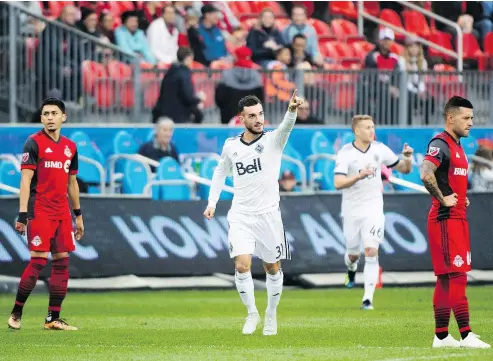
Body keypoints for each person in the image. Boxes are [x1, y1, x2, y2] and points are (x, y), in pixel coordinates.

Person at [203, 91, 304, 336]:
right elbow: (219, 173)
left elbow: (286, 127)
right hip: (241, 215)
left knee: (272, 267)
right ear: (241, 118)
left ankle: (271, 314)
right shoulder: (231, 147)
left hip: (268, 215)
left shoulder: (272, 141)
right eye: (252, 115)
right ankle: (252, 313)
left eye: (260, 114)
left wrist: (291, 111)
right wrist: (212, 202)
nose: (258, 119)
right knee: (241, 265)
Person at [419, 96, 491, 349]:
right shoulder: (441, 143)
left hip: (457, 217)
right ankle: (466, 334)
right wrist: (444, 199)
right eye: (466, 118)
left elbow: (446, 179)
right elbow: (425, 172)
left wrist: (460, 199)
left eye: (471, 118)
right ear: (451, 118)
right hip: (445, 219)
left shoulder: (458, 146)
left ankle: (441, 336)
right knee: (458, 275)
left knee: (447, 279)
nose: (471, 123)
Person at [8, 98, 84, 331]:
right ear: (41, 118)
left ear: (64, 117)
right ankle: (16, 312)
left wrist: (78, 215)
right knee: (39, 260)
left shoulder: (70, 147)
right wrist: (22, 214)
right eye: (46, 113)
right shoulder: (34, 143)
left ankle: (53, 318)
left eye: (54, 113)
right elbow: (25, 180)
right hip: (39, 209)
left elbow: (72, 183)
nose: (50, 117)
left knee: (62, 262)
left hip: (62, 212)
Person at [333, 114, 413, 310]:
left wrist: (407, 158)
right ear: (356, 131)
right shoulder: (345, 153)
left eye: (372, 126)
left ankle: (367, 299)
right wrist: (358, 176)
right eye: (367, 127)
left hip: (374, 207)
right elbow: (338, 183)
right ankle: (350, 271)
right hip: (351, 209)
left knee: (371, 250)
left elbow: (404, 170)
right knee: (353, 254)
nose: (371, 130)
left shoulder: (380, 149)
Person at [152, 47, 204, 123]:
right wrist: (199, 99)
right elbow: (188, 96)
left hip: (165, 114)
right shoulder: (184, 74)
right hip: (180, 117)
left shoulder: (169, 72)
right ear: (189, 58)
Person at [215, 46, 265, 124]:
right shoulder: (256, 76)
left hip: (228, 116)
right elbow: (261, 98)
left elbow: (220, 97)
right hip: (251, 119)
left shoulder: (226, 75)